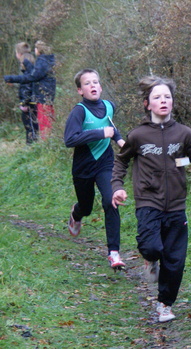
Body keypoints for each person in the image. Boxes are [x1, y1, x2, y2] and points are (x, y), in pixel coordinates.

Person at [111, 76, 191, 323]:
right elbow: (121, 161)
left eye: (167, 96)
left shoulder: (185, 133)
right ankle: (150, 259)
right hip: (148, 201)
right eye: (157, 97)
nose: (163, 100)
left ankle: (164, 304)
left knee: (175, 261)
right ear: (148, 104)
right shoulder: (138, 135)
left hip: (177, 205)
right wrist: (117, 186)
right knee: (152, 248)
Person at [64, 69, 126, 269]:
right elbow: (70, 139)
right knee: (87, 207)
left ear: (100, 86)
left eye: (95, 82)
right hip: (83, 167)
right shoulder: (79, 111)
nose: (92, 85)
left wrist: (121, 141)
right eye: (87, 83)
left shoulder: (109, 106)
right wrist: (100, 133)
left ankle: (114, 253)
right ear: (80, 90)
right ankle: (76, 213)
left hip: (105, 163)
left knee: (111, 201)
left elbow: (111, 127)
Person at [4, 40, 56, 139]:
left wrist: (11, 78)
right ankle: (45, 144)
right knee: (45, 123)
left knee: (43, 124)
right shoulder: (45, 61)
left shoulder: (42, 62)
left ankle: (46, 145)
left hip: (42, 97)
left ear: (37, 50)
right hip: (45, 96)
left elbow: (31, 78)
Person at [12, 42, 39, 144]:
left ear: (19, 53)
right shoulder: (32, 62)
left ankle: (31, 145)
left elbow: (27, 86)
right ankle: (33, 144)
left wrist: (24, 103)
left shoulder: (25, 65)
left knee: (30, 125)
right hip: (34, 101)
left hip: (30, 103)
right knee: (33, 124)